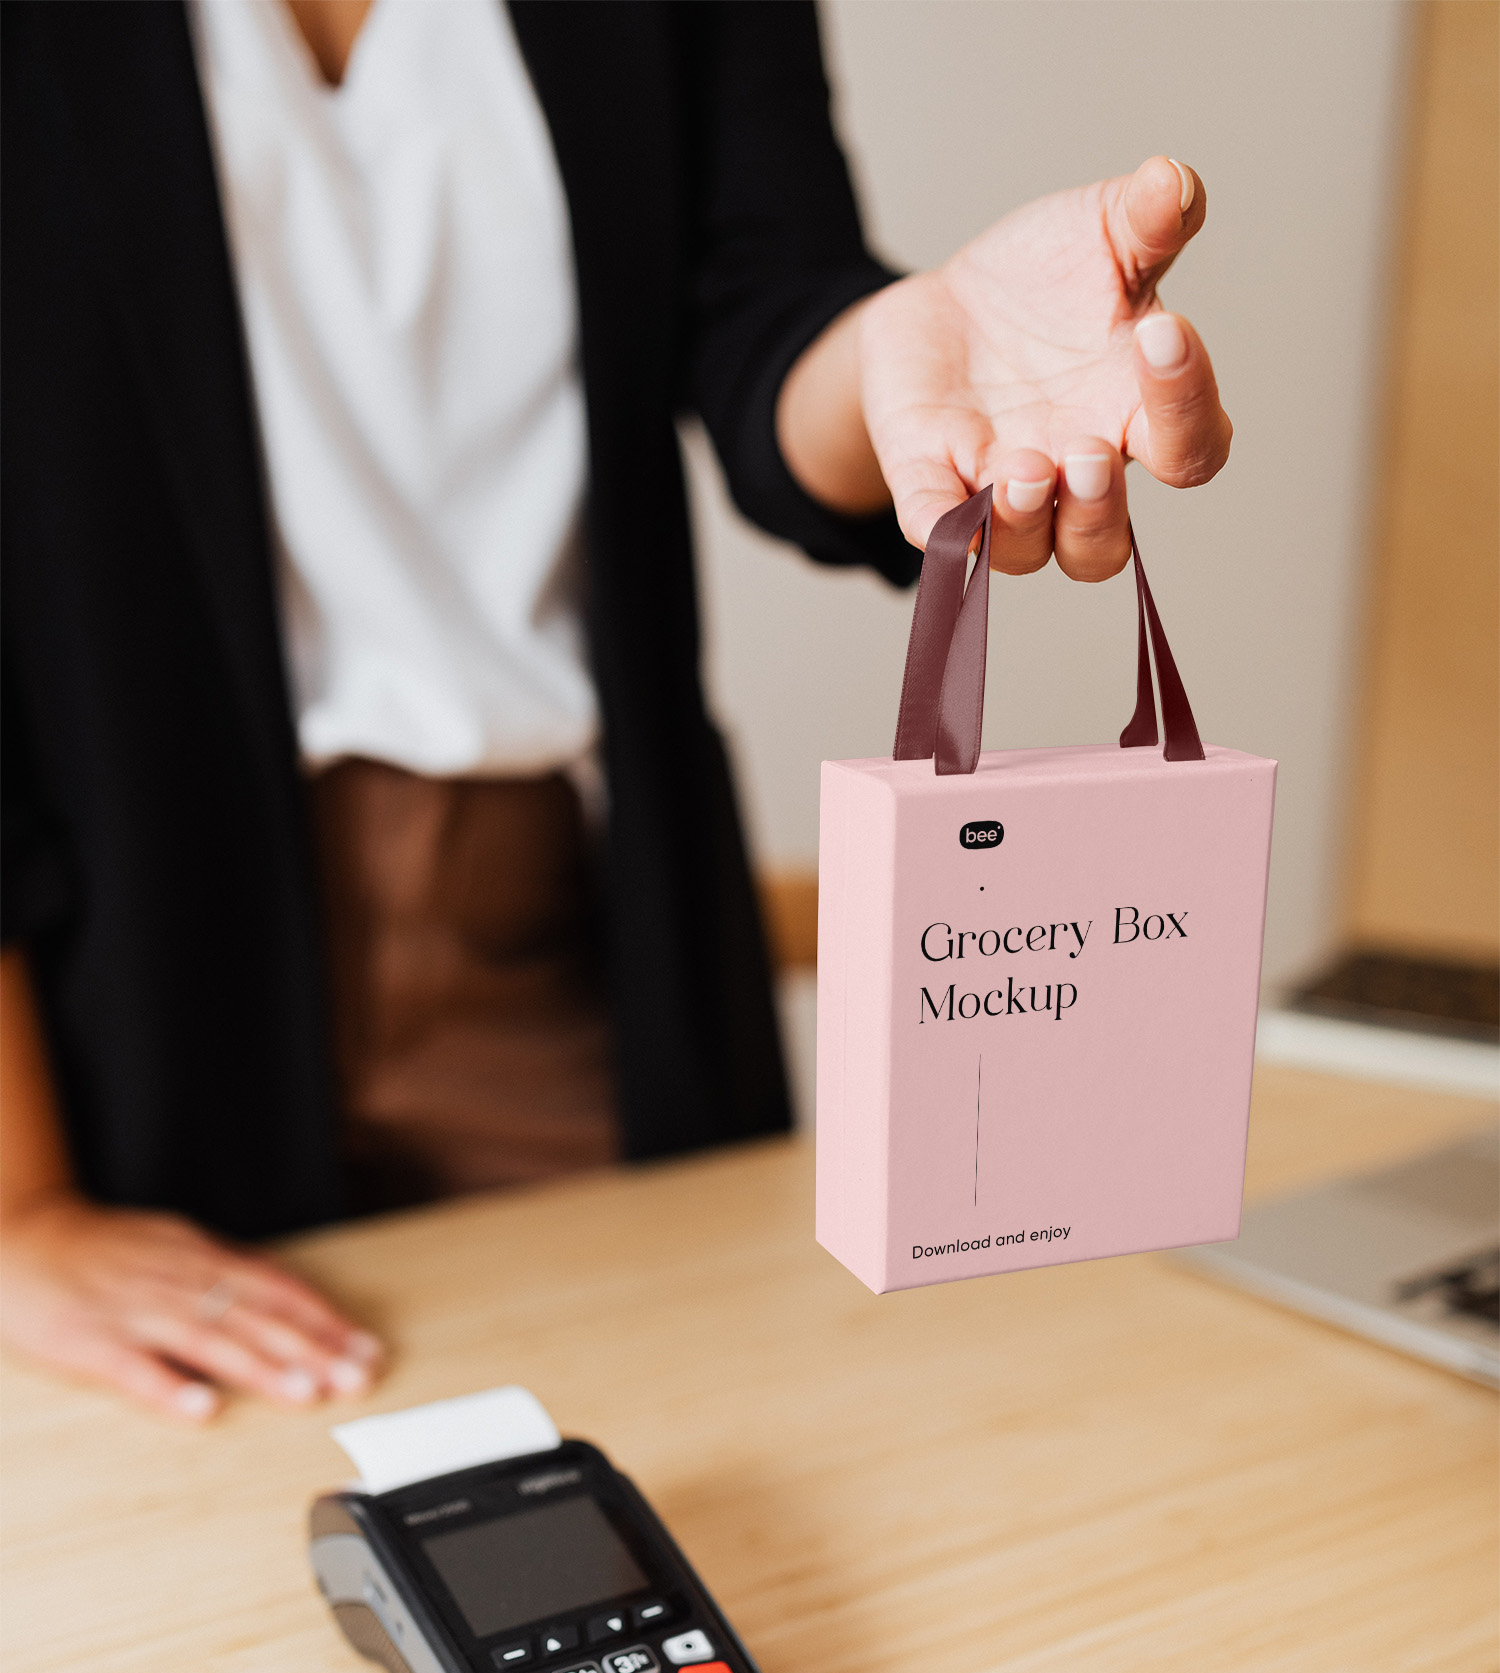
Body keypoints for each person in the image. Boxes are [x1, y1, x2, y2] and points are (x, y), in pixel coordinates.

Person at [0, 0, 1231, 1422]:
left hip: (574, 945)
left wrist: (914, 360)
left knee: (726, 1485)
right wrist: (20, 1206)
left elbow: (767, 321)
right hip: (100, 1004)